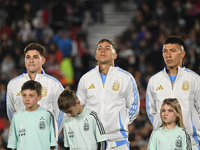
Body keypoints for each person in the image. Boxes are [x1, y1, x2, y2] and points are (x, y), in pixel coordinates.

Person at [76, 38, 140, 150]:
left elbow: (134, 106)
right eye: (99, 48)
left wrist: (120, 122)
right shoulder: (85, 79)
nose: (102, 51)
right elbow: (79, 107)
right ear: (95, 56)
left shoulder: (126, 78)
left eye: (107, 48)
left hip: (118, 141)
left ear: (115, 55)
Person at [146, 36, 200, 149]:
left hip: (190, 142)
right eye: (165, 51)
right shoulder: (154, 81)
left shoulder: (194, 79)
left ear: (182, 54)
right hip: (162, 143)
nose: (168, 55)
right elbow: (152, 112)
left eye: (173, 51)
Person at [6, 43, 64, 136]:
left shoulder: (54, 84)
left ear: (43, 60)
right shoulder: (13, 84)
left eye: (35, 57)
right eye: (28, 57)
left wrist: (52, 137)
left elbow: (62, 113)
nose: (31, 60)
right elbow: (11, 113)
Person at [7, 80, 57, 150]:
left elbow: (52, 144)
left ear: (39, 97)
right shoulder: (16, 117)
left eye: (31, 95)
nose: (27, 99)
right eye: (24, 95)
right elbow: (13, 145)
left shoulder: (47, 115)